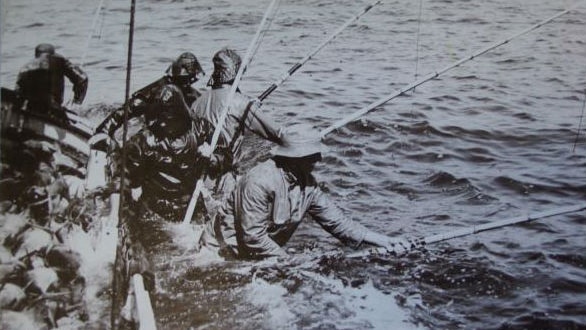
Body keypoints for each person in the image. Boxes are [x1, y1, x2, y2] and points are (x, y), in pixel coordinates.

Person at [200, 124, 407, 260]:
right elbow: (252, 237)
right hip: (222, 251)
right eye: (312, 156)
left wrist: (383, 240)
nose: (318, 160)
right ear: (294, 159)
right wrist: (289, 261)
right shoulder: (259, 180)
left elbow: (338, 223)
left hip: (259, 252)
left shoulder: (307, 185)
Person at [190, 47, 282, 194]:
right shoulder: (239, 102)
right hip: (223, 175)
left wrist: (249, 107)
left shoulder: (198, 102)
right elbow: (276, 133)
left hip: (199, 171)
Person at [109, 78, 202, 221]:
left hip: (189, 202)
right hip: (158, 205)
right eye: (165, 118)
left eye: (173, 118)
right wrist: (114, 214)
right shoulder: (143, 140)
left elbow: (223, 156)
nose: (168, 124)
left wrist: (212, 158)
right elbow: (122, 177)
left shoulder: (198, 128)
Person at [91, 52, 204, 146]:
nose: (190, 82)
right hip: (155, 135)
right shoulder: (155, 90)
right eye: (188, 79)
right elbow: (126, 111)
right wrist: (103, 131)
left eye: (192, 79)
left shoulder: (192, 94)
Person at [14, 43, 88, 121]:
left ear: (36, 55)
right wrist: (76, 103)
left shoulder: (25, 68)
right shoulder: (60, 61)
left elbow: (17, 95)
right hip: (55, 112)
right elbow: (83, 79)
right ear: (53, 54)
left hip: (32, 112)